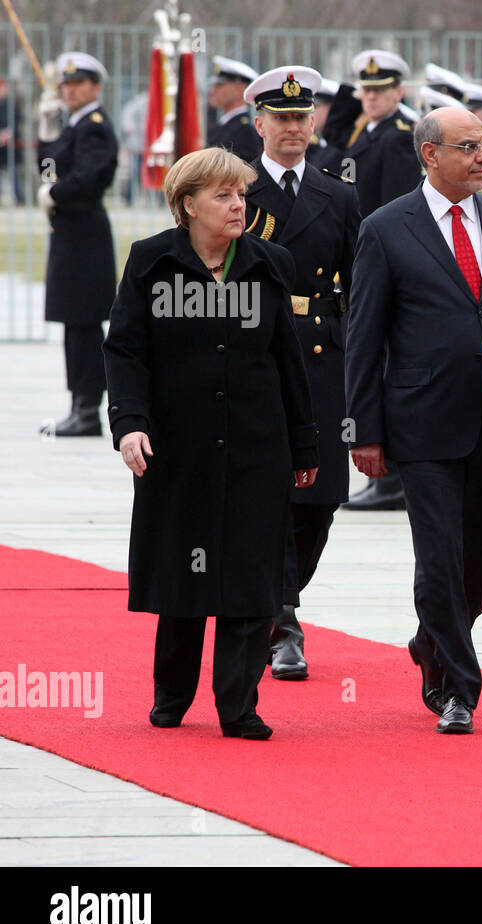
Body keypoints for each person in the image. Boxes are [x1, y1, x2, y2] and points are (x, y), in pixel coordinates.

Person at [344, 106, 482, 734]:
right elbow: (365, 336)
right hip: (422, 423)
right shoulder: (388, 229)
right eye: (467, 147)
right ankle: (459, 688)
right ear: (430, 155)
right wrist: (364, 427)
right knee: (438, 556)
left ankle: (430, 643)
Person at [103, 147, 319, 738]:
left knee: (252, 578)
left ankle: (238, 706)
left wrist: (305, 444)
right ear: (187, 203)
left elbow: (287, 358)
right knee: (183, 571)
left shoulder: (271, 262)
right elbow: (124, 349)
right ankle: (172, 693)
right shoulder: (151, 262)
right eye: (223, 196)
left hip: (256, 445)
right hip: (177, 447)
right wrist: (130, 424)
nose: (237, 205)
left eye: (242, 195)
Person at [243, 66, 361, 679]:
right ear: (258, 123)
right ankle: (283, 621)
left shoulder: (337, 194)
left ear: (313, 122)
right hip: (259, 356)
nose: (292, 128)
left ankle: (275, 603)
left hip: (321, 358)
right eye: (280, 118)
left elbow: (359, 284)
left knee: (319, 499)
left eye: (301, 117)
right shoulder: (234, 189)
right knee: (274, 494)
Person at [338, 49, 423, 512]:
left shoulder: (397, 139)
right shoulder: (367, 132)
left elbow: (395, 210)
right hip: (363, 258)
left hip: (382, 260)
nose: (370, 98)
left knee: (385, 366)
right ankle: (385, 478)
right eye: (365, 91)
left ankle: (392, 481)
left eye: (380, 90)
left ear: (399, 92)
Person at [37, 52, 118, 437]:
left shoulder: (95, 127)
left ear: (95, 87)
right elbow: (47, 170)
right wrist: (48, 134)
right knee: (74, 322)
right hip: (69, 233)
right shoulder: (73, 125)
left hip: (85, 232)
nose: (71, 90)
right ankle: (78, 405)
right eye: (66, 84)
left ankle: (88, 409)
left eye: (79, 83)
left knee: (84, 323)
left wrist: (56, 193)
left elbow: (90, 177)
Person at [207, 56, 261, 163]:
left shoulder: (244, 131)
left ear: (239, 89)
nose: (212, 91)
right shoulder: (227, 124)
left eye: (219, 85)